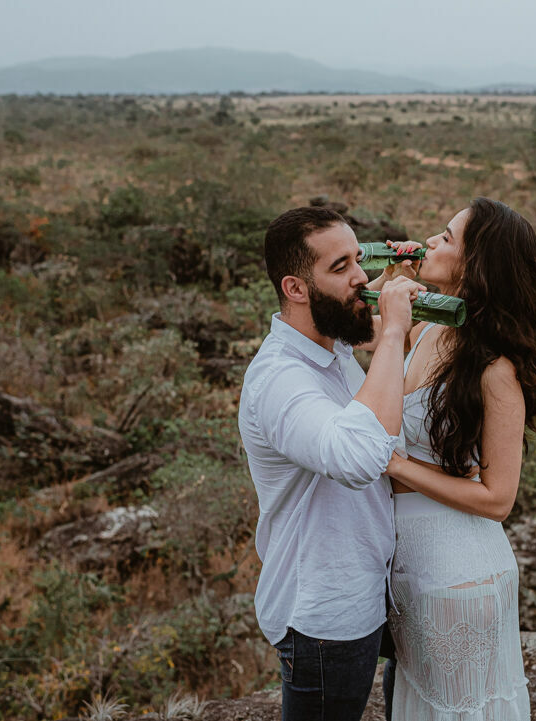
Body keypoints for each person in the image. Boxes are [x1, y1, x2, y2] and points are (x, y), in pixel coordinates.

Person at [237, 206, 424, 721]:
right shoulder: (279, 380)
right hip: (325, 614)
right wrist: (390, 335)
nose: (360, 278)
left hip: (365, 588)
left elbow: (391, 333)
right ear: (296, 288)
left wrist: (402, 285)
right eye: (340, 267)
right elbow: (359, 458)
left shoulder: (331, 341)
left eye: (358, 260)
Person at [376, 198, 536, 720]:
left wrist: (396, 465)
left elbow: (498, 498)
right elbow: (376, 347)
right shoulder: (428, 329)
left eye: (447, 238)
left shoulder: (496, 367)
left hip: (460, 578)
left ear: (477, 265)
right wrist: (390, 279)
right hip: (411, 570)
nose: (431, 241)